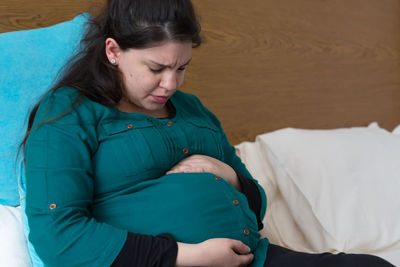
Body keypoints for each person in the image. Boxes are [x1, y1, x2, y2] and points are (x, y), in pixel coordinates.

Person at [21, 0, 394, 266]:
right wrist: (188, 256)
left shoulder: (194, 110)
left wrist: (227, 175)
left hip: (253, 258)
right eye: (156, 67)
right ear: (114, 50)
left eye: (182, 67)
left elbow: (256, 205)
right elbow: (58, 235)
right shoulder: (70, 111)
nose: (170, 83)